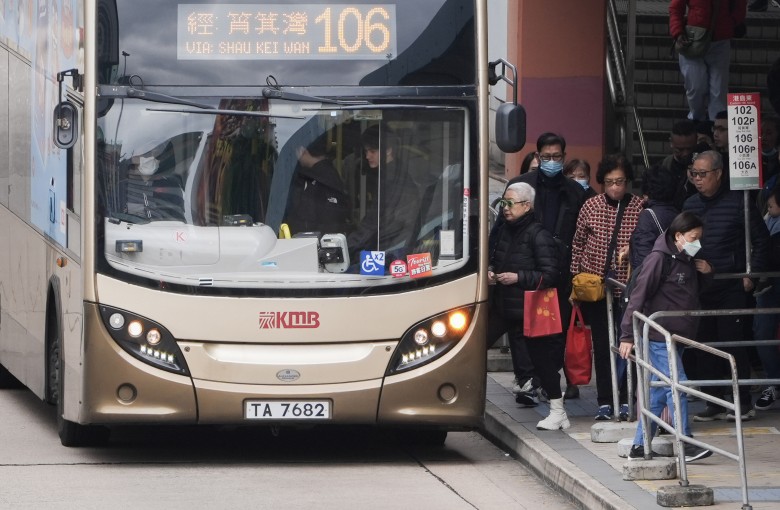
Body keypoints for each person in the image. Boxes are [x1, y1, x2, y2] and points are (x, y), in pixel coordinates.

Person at [682, 151, 771, 421]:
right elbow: (685, 242)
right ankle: (715, 402)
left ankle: (742, 403)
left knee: (732, 344)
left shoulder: (739, 203)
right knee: (704, 345)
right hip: (701, 285)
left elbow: (762, 242)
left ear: (719, 174)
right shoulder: (691, 204)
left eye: (703, 174)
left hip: (731, 285)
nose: (697, 179)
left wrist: (750, 275)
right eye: (694, 174)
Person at [618, 211, 713, 463]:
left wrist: (706, 273)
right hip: (660, 336)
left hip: (677, 336)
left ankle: (639, 446)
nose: (697, 243)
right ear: (679, 236)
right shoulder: (659, 259)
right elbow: (637, 297)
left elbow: (689, 294)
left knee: (660, 392)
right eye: (693, 237)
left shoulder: (687, 259)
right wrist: (627, 335)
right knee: (677, 385)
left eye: (699, 238)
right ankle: (686, 443)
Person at [503, 132, 586, 402]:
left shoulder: (574, 191)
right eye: (546, 157)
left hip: (559, 273)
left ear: (564, 156)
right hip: (525, 269)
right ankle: (527, 381)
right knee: (520, 327)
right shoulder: (520, 185)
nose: (552, 161)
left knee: (555, 331)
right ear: (538, 157)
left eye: (557, 157)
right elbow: (502, 228)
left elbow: (583, 230)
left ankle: (544, 378)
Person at [487, 182, 569, 429]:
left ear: (527, 206)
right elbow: (495, 258)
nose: (506, 209)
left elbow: (550, 275)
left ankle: (558, 411)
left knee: (542, 360)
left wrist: (518, 277)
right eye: (504, 203)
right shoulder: (504, 230)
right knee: (475, 343)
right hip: (503, 305)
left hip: (529, 308)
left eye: (510, 204)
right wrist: (492, 271)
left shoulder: (539, 234)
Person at [570, 153, 644, 420]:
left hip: (627, 288)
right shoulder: (590, 206)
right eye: (610, 182)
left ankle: (626, 398)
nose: (616, 187)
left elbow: (646, 243)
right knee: (602, 344)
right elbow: (577, 245)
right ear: (602, 182)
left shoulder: (639, 207)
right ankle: (604, 400)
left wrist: (632, 248)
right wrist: (574, 282)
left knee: (628, 344)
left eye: (621, 182)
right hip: (596, 288)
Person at [346, 125, 420, 263]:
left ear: (388, 150)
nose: (367, 156)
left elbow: (373, 222)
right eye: (366, 151)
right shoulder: (395, 173)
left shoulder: (390, 180)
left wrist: (347, 246)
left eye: (372, 151)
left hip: (390, 249)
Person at [669, 0, 747, 122]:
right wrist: (678, 32)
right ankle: (701, 121)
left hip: (716, 39)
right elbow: (676, 8)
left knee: (718, 89)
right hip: (695, 41)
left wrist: (730, 23)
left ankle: (714, 124)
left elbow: (740, 6)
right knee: (697, 86)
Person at [285, 136, 351, 235]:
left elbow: (321, 216)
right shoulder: (323, 174)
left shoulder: (319, 178)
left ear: (304, 151)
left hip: (315, 240)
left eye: (297, 152)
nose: (297, 157)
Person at [753, 185, 780, 411]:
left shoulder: (770, 229)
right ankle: (774, 382)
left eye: (772, 205)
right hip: (769, 287)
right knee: (762, 333)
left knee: (763, 333)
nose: (769, 209)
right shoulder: (767, 223)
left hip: (771, 286)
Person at [630, 164, 680, 269]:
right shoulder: (678, 214)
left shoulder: (648, 216)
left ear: (647, 193)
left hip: (655, 278)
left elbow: (643, 258)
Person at [659, 119, 699, 209]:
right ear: (671, 143)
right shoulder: (663, 167)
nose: (685, 154)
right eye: (679, 150)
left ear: (697, 141)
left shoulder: (705, 166)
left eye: (689, 149)